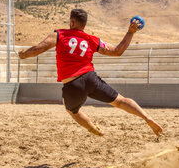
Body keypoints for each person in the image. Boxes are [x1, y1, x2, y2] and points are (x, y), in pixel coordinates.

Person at [18, 9, 163, 137]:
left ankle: (93, 129)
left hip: (72, 83)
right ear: (84, 25)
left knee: (72, 111)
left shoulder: (59, 34)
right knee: (120, 101)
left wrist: (24, 54)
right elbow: (118, 51)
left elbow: (38, 49)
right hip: (91, 78)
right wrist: (130, 32)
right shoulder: (92, 40)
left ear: (71, 22)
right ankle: (146, 117)